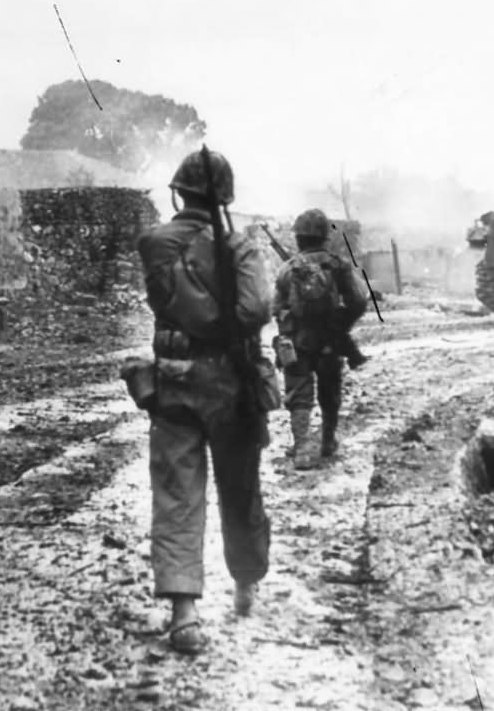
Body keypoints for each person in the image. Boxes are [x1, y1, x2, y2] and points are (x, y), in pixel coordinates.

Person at [133, 148, 273, 655]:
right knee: (240, 487)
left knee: (176, 492)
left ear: (180, 192)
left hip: (172, 380)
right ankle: (245, 583)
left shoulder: (153, 243)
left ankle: (184, 613)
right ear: (226, 196)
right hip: (228, 384)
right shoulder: (237, 245)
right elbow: (257, 308)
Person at [274, 208, 368, 469]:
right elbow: (359, 301)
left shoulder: (286, 270)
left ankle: (302, 449)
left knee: (298, 395)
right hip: (329, 340)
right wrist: (341, 324)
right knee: (330, 391)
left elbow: (276, 308)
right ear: (325, 237)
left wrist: (288, 331)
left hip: (298, 343)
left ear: (298, 238)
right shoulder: (339, 266)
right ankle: (327, 441)